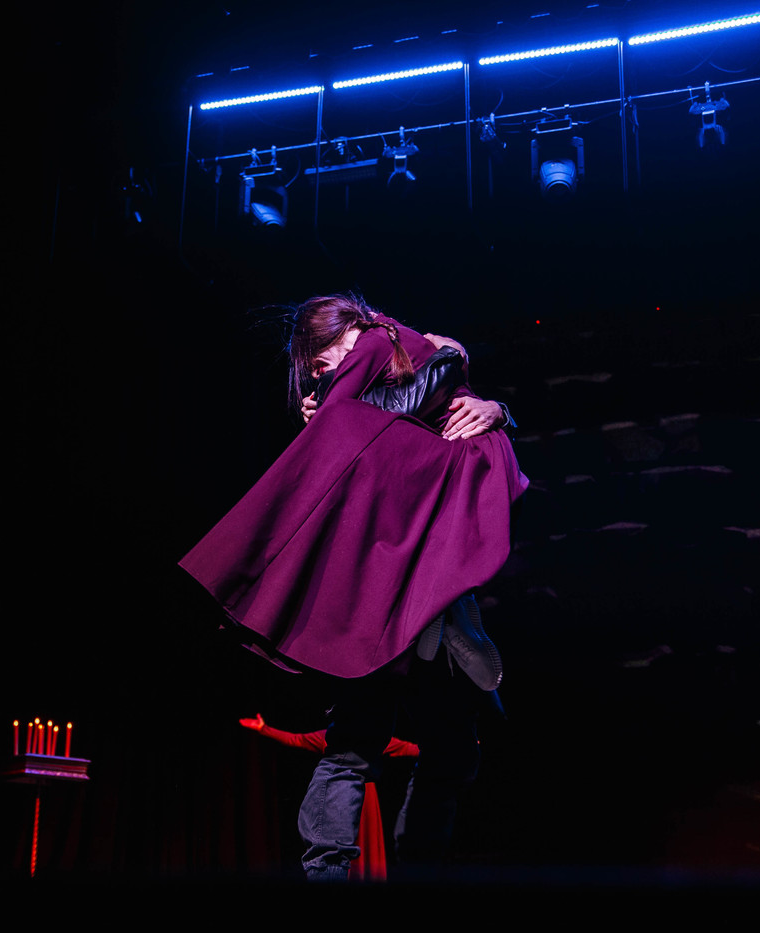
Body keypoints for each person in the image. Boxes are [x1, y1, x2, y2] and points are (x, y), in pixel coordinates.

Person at [181, 293, 527, 879]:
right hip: (390, 593)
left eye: (321, 364)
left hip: (417, 593)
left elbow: (441, 403)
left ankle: (380, 867)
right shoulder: (366, 393)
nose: (320, 378)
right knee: (373, 747)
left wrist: (491, 405)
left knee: (417, 749)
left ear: (345, 337)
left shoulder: (385, 356)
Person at [238, 713, 419, 882]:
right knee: (337, 845)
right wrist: (264, 729)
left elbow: (406, 748)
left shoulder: (370, 736)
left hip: (364, 798)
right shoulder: (331, 736)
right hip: (343, 799)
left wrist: (432, 749)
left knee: (361, 847)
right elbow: (297, 739)